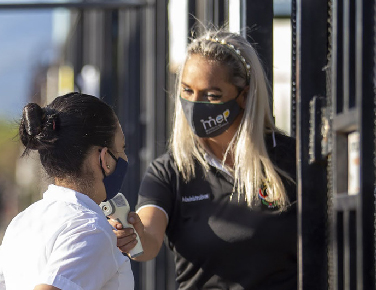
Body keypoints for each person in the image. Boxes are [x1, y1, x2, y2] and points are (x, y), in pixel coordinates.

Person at [112, 30, 298, 289]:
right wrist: (133, 235)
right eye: (187, 91)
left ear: (243, 96)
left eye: (211, 96)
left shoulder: (289, 158)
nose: (194, 104)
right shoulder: (170, 171)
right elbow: (148, 241)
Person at [0, 92, 134, 290]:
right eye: (121, 148)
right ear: (105, 159)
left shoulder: (25, 220)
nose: (124, 156)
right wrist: (98, 241)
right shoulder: (90, 229)